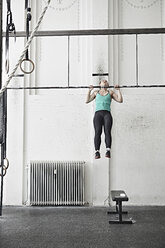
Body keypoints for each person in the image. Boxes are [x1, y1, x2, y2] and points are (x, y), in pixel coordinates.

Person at [86, 79, 123, 159]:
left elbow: (120, 100)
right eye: (103, 81)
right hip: (98, 114)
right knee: (98, 132)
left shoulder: (111, 92)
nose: (105, 81)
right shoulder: (96, 92)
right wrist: (89, 91)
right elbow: (87, 100)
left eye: (106, 81)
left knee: (107, 131)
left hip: (107, 114)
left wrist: (118, 90)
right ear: (100, 84)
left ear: (108, 84)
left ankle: (108, 150)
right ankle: (97, 152)